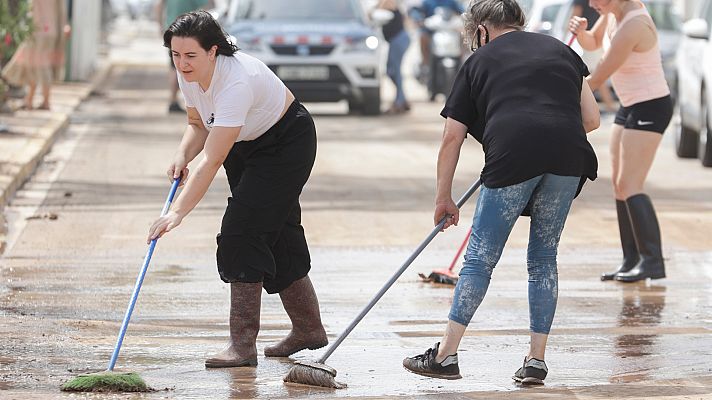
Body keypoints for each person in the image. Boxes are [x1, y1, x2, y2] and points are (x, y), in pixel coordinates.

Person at [402, 0, 599, 385]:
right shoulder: (561, 50)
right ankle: (536, 361)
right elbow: (590, 120)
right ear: (519, 23)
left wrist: (444, 198)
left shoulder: (478, 61)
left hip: (513, 155)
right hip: (569, 156)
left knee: (479, 259)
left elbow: (451, 137)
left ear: (481, 30)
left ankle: (444, 356)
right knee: (543, 258)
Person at [148, 10, 328, 368]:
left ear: (213, 51)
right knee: (274, 232)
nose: (182, 64)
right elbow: (198, 123)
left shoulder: (236, 80)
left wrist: (177, 213)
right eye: (175, 55)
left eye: (190, 56)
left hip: (286, 143)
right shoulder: (188, 73)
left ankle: (242, 346)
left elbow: (212, 161)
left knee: (241, 232)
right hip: (245, 144)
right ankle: (308, 328)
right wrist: (182, 154)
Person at [569, 0, 672, 283]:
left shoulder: (634, 25)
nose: (591, 4)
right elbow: (593, 43)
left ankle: (652, 261)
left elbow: (600, 74)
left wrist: (559, 89)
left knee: (630, 184)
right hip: (630, 104)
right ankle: (631, 259)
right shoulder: (612, 12)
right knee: (618, 185)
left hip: (651, 106)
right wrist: (582, 32)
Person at [1, 0, 70, 110]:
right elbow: (61, 9)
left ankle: (36, 100)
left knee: (34, 63)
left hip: (37, 29)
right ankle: (35, 99)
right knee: (39, 64)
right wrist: (64, 26)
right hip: (51, 30)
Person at [155, 0, 211, 113]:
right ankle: (191, 103)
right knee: (189, 65)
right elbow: (206, 7)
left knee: (174, 65)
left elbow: (158, 5)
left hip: (172, 29)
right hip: (190, 32)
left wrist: (160, 25)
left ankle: (173, 100)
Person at [570, 0, 617, 113]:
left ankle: (608, 104)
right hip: (590, 37)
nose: (591, 4)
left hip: (589, 38)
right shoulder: (609, 15)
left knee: (592, 74)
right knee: (592, 73)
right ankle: (608, 104)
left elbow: (574, 16)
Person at [410, 0, 464, 79]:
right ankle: (426, 63)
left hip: (449, 30)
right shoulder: (427, 2)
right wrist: (419, 19)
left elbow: (462, 11)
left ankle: (462, 58)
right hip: (432, 31)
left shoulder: (451, 2)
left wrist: (464, 18)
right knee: (423, 37)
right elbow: (415, 10)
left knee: (463, 34)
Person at [375, 0, 411, 114]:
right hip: (394, 41)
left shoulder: (389, 2)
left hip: (398, 39)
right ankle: (403, 99)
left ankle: (399, 102)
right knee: (390, 71)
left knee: (395, 70)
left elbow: (376, 11)